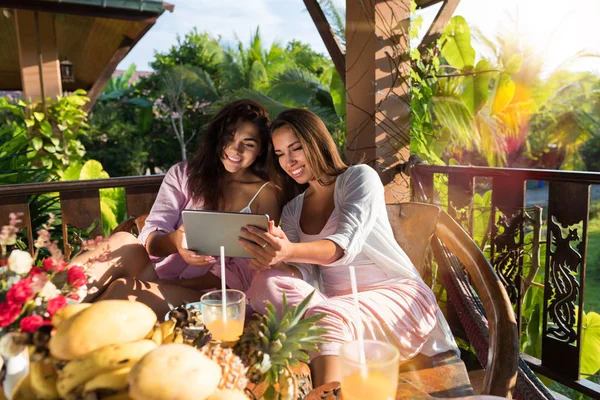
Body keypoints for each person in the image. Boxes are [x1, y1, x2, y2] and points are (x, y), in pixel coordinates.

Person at [238, 108, 458, 387]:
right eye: (280, 154)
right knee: (266, 281)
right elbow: (304, 271)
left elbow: (344, 246)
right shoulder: (294, 208)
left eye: (296, 148)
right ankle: (324, 337)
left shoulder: (359, 178)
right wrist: (274, 258)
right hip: (335, 303)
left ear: (317, 142)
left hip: (395, 295)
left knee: (325, 316)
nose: (289, 161)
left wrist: (288, 250)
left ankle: (327, 389)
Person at [71, 99, 281, 317]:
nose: (234, 149)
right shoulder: (184, 175)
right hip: (159, 275)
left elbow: (244, 272)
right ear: (217, 137)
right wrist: (176, 242)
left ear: (260, 150)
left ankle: (67, 333)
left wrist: (170, 286)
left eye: (248, 143)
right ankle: (46, 307)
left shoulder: (265, 195)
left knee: (123, 289)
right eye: (229, 137)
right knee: (123, 241)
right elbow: (150, 238)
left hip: (212, 294)